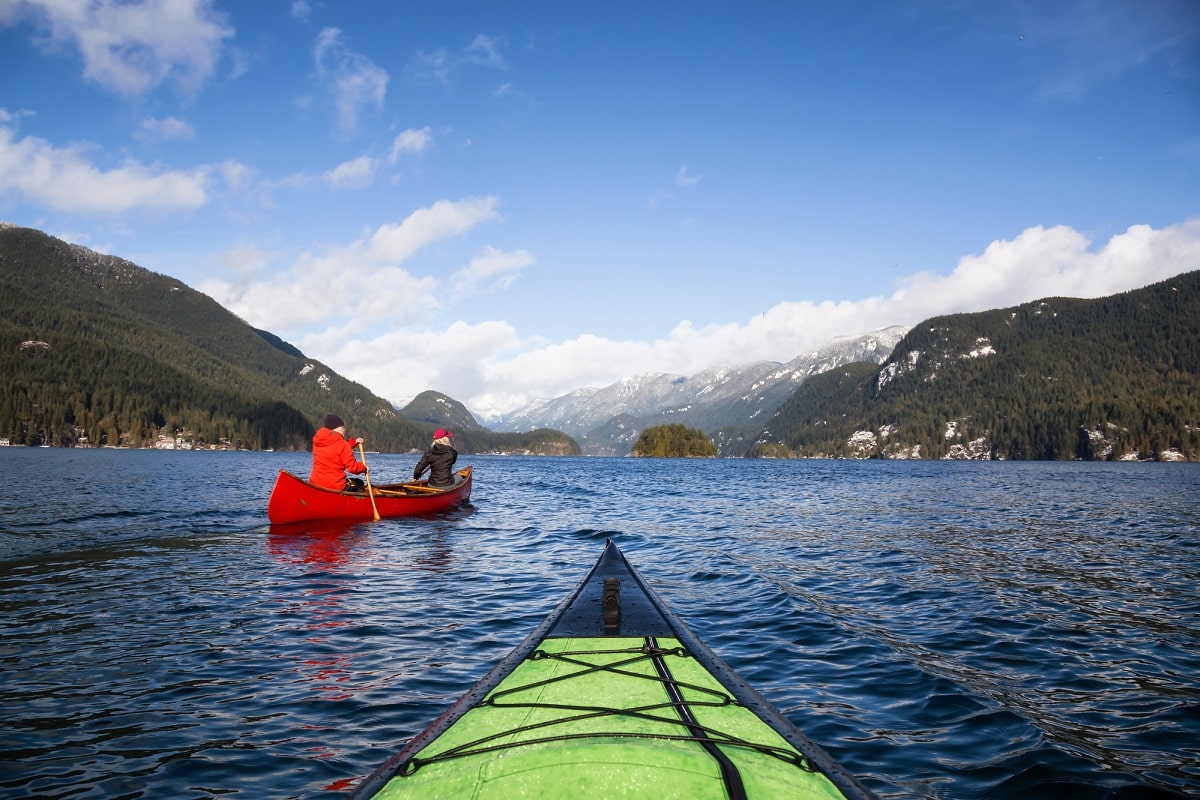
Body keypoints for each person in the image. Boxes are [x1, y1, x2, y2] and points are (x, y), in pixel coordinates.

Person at [309, 414, 368, 491]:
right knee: (359, 483)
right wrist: (364, 467)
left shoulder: (317, 442)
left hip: (315, 483)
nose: (344, 430)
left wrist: (355, 442)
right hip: (335, 485)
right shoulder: (343, 445)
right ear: (337, 428)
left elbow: (335, 447)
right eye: (343, 427)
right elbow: (353, 468)